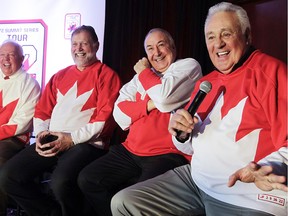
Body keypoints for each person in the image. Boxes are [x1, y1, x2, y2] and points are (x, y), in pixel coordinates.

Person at [111, 2, 287, 216]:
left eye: (226, 34)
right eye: (211, 37)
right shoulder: (207, 82)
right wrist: (181, 135)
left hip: (245, 194)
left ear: (247, 36)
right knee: (124, 202)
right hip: (196, 180)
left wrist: (271, 167)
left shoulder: (271, 72)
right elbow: (191, 146)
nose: (218, 44)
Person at [77, 28, 202, 215]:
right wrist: (150, 104)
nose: (156, 53)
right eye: (150, 48)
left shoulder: (187, 66)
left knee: (137, 196)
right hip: (130, 150)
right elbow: (120, 114)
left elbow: (165, 99)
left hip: (166, 153)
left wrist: (144, 77)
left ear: (173, 47)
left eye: (161, 45)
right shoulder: (141, 77)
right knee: (87, 179)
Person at [0, 25, 122, 216]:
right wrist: (41, 133)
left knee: (60, 183)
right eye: (74, 44)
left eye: (84, 43)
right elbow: (42, 111)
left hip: (85, 144)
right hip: (52, 139)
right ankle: (51, 213)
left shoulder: (107, 76)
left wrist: (71, 138)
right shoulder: (60, 75)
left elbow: (104, 122)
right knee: (8, 176)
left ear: (96, 46)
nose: (78, 48)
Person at [0, 40, 40, 216]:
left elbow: (22, 123)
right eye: (2, 55)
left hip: (13, 140)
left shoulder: (30, 84)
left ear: (22, 58)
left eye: (11, 55)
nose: (5, 59)